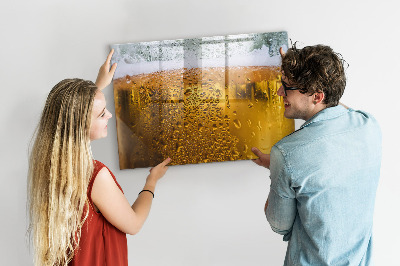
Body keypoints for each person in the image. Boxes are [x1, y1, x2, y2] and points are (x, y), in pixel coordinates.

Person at [27, 49, 171, 266]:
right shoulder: (95, 176)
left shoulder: (49, 164)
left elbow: (73, 112)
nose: (110, 115)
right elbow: (134, 224)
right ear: (81, 124)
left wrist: (97, 86)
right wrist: (152, 181)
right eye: (102, 113)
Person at [251, 44, 382, 265]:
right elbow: (335, 106)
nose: (279, 92)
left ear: (317, 96)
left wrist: (278, 169)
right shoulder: (369, 125)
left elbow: (279, 225)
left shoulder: (286, 153)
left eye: (287, 87)